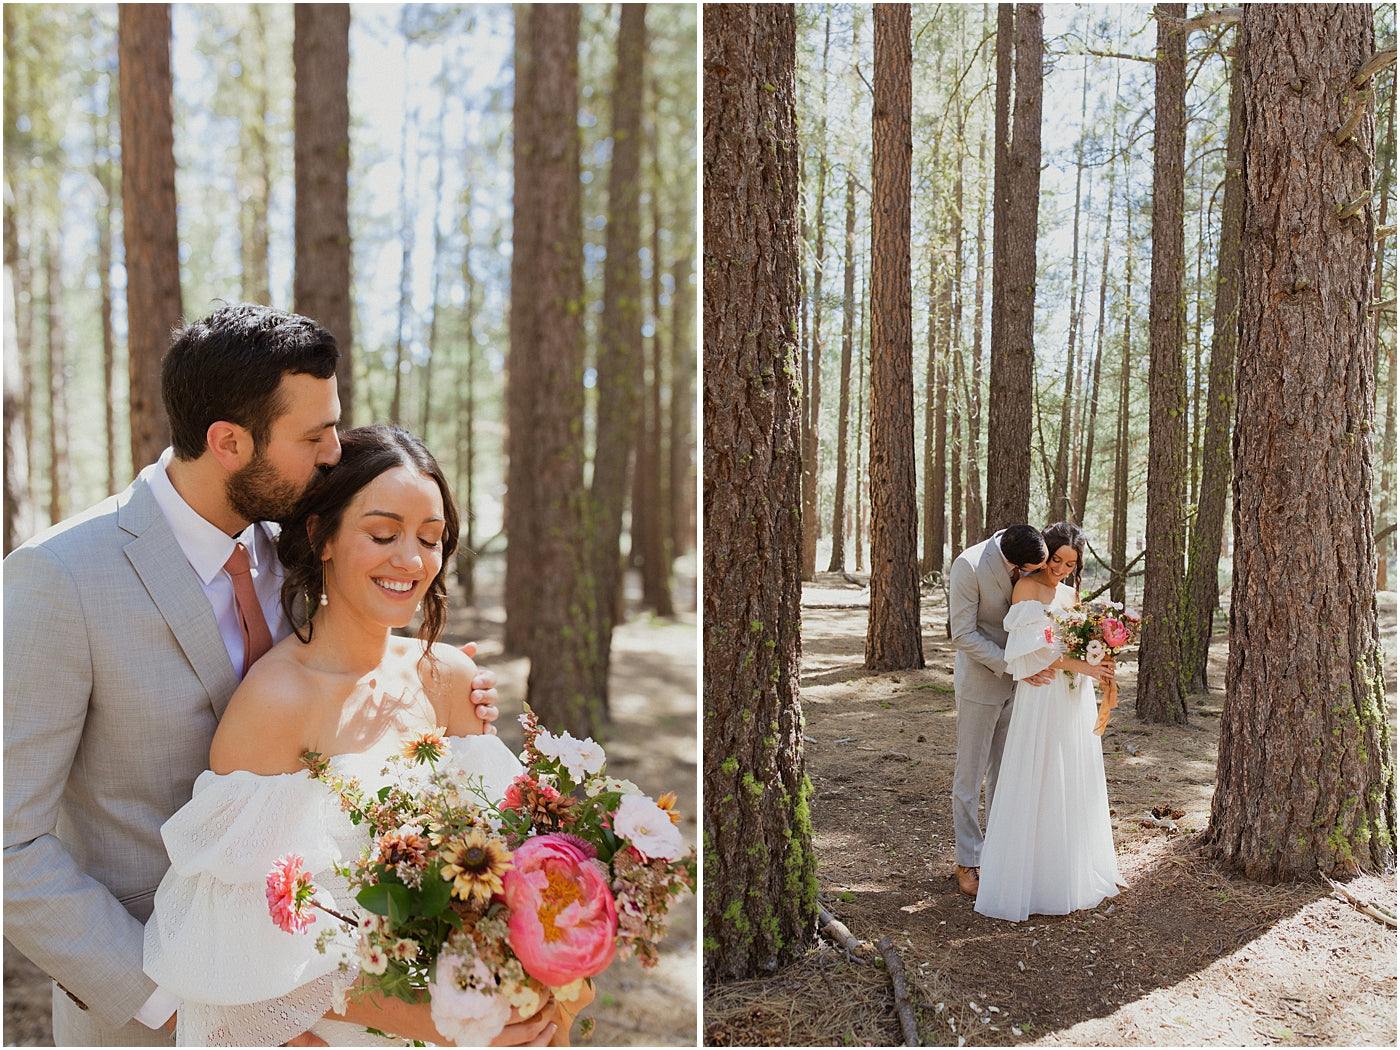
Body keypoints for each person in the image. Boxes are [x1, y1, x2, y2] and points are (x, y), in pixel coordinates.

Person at [2, 304, 499, 1047]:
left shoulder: (294, 540)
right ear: (229, 442)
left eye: (335, 427)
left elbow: (359, 664)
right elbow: (11, 844)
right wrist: (178, 1001)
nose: (335, 453)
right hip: (155, 1008)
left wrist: (447, 695)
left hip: (334, 992)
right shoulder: (60, 578)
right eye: (313, 436)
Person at [144, 425, 577, 1046]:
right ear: (320, 535)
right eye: (382, 534)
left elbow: (517, 871)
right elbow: (238, 957)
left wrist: (536, 998)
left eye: (431, 540)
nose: (410, 559)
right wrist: (442, 1024)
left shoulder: (451, 679)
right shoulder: (275, 703)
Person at [973, 521, 1125, 922]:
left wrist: (1099, 657)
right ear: (1046, 554)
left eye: (1070, 563)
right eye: (1056, 559)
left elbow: (1071, 639)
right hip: (1042, 694)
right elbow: (1032, 648)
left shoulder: (1072, 594)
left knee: (1069, 773)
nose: (1060, 569)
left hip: (1072, 695)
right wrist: (1084, 667)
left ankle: (1068, 872)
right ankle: (1029, 877)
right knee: (1037, 772)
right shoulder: (1027, 588)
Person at [947, 523, 1057, 898]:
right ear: (1011, 561)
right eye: (1024, 570)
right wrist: (1014, 665)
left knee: (1005, 773)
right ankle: (967, 860)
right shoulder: (969, 566)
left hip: (1024, 687)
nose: (1028, 575)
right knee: (970, 775)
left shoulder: (1028, 549)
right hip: (983, 682)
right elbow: (962, 634)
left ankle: (998, 855)